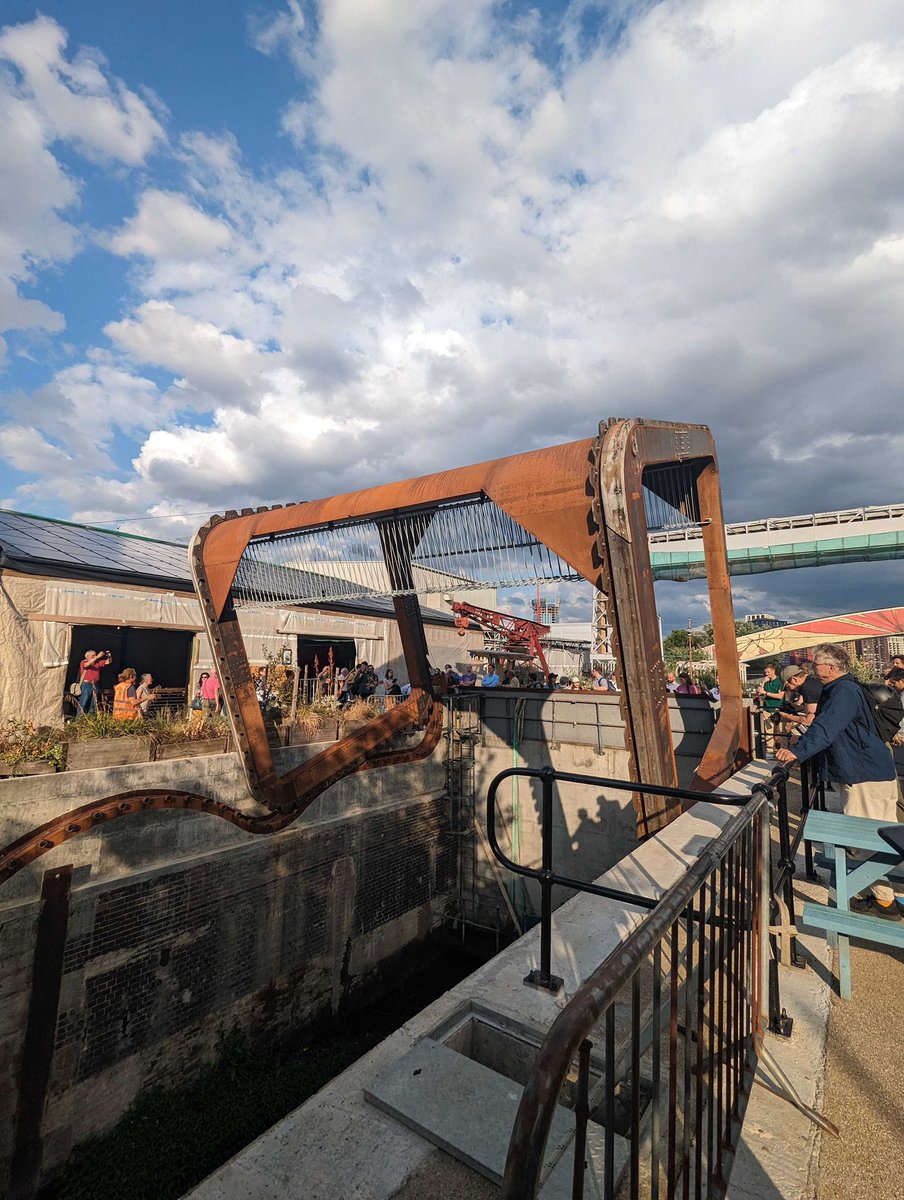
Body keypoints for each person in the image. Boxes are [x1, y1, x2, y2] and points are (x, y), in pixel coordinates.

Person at [776, 644, 900, 920]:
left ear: (830, 667)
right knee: (869, 836)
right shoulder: (846, 688)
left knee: (867, 838)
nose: (813, 668)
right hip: (866, 771)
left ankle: (884, 901)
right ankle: (876, 895)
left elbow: (827, 728)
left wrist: (796, 752)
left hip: (864, 775)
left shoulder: (843, 691)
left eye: (816, 663)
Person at [774, 664, 822, 745]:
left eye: (787, 686)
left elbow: (808, 721)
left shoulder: (806, 687)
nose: (789, 690)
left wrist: (786, 716)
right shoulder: (814, 680)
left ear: (794, 679)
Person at [756, 663, 785, 757]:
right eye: (765, 672)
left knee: (781, 732)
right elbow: (760, 694)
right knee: (768, 732)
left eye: (768, 672)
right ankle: (769, 754)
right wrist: (763, 683)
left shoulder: (780, 682)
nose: (766, 674)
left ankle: (783, 752)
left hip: (778, 709)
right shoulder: (767, 682)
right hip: (767, 709)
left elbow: (780, 696)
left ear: (773, 671)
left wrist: (766, 693)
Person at [76, 648, 112, 714]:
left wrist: (109, 656)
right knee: (83, 703)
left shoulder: (97, 663)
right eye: (93, 655)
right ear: (87, 656)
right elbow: (86, 665)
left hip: (95, 685)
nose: (95, 657)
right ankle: (78, 719)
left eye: (95, 655)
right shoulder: (84, 662)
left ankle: (90, 718)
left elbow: (108, 662)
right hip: (86, 685)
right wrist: (97, 657)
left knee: (93, 704)